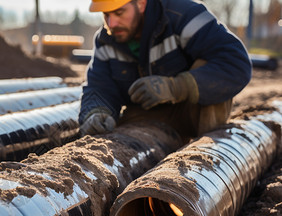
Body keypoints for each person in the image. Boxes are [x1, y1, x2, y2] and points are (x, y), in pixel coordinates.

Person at [79, 0, 252, 139]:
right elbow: (99, 86)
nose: (112, 23)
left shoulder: (184, 15)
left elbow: (236, 63)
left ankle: (207, 149)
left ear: (141, 3)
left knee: (207, 63)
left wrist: (177, 87)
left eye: (119, 12)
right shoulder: (105, 40)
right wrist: (96, 111)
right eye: (106, 14)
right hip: (148, 117)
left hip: (192, 111)